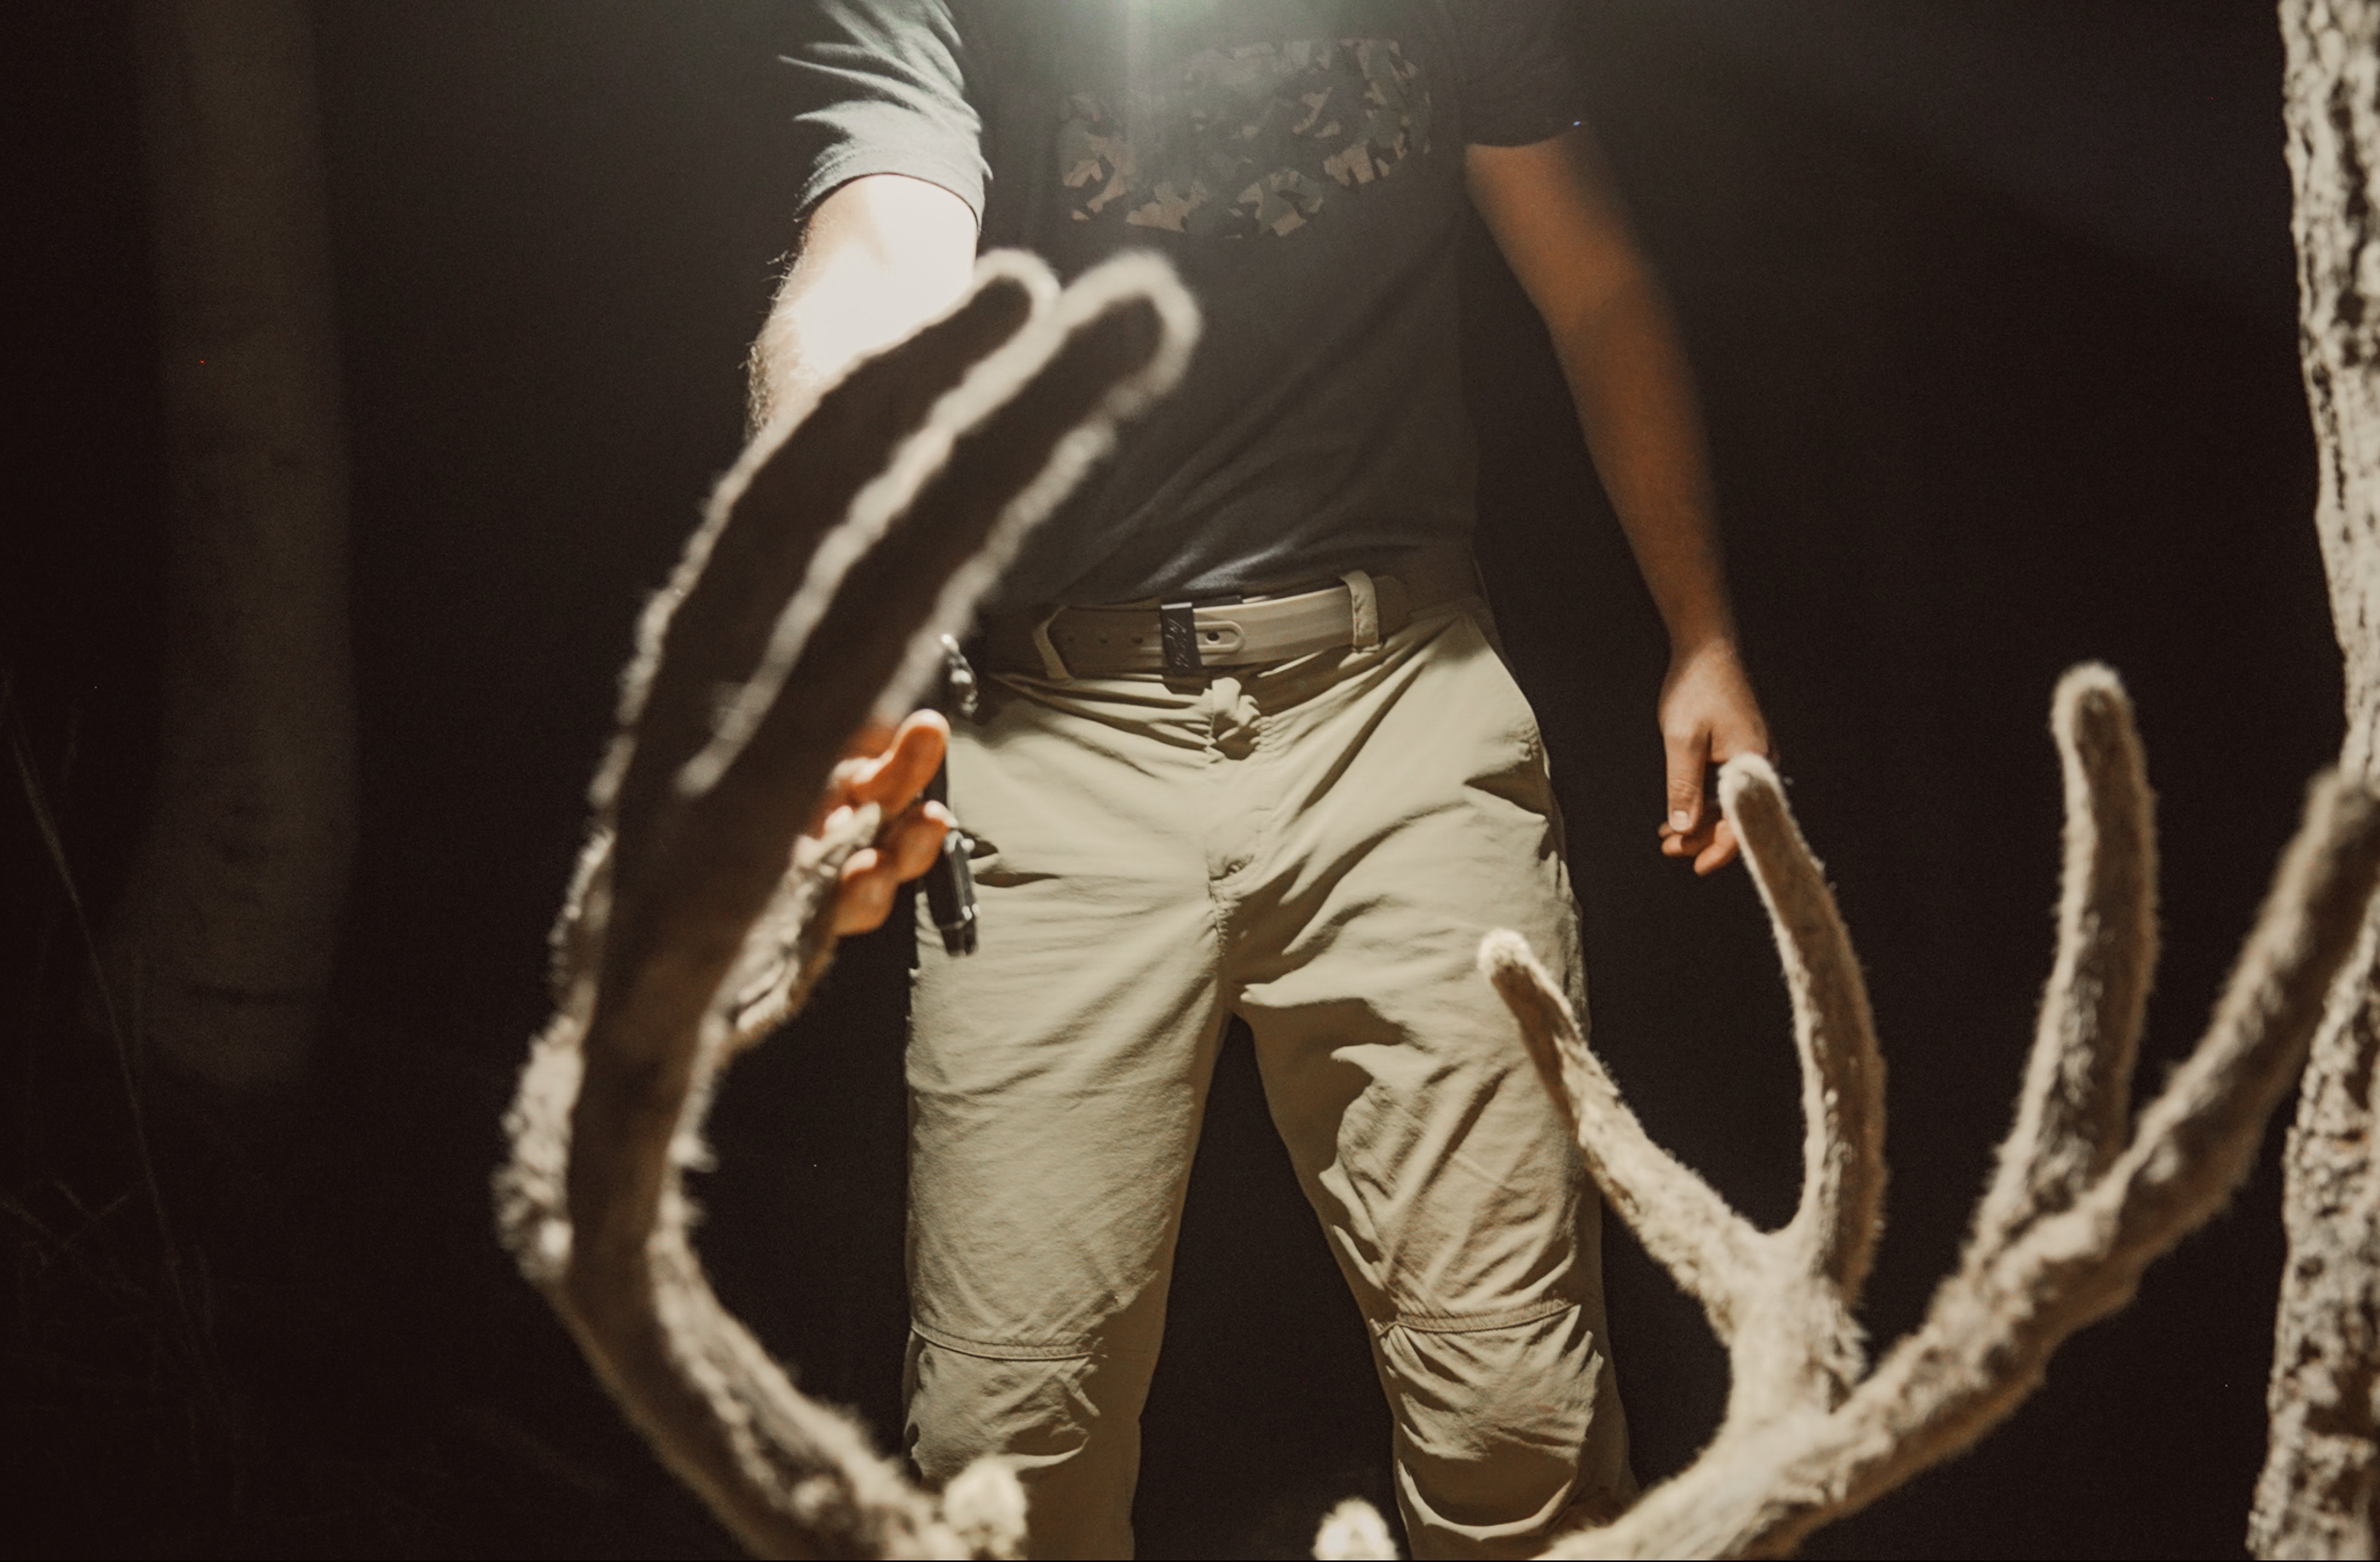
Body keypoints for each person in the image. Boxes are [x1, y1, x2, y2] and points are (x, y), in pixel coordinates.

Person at [757, 4, 1771, 1556]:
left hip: (1400, 704)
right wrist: (820, 631)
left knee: (1524, 1425)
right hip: (1052, 738)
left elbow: (1598, 279)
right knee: (1001, 1463)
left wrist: (1702, 628)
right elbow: (875, 270)